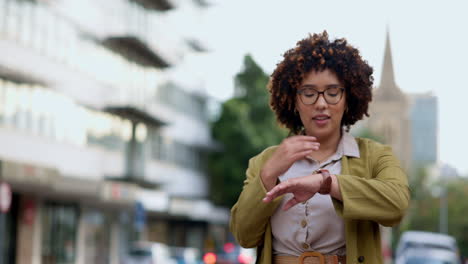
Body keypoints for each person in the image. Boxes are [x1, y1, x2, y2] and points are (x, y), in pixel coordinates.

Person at [229, 31, 410, 264]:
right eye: (309, 93)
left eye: (333, 92)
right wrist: (267, 176)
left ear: (349, 99)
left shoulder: (376, 156)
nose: (321, 103)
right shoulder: (266, 161)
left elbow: (397, 205)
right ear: (293, 100)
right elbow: (244, 235)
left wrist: (327, 183)